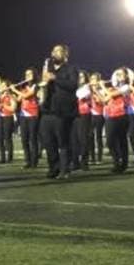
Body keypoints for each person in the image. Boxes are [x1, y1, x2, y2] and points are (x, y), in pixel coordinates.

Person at [39, 44, 80, 180]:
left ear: (65, 55)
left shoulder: (71, 69)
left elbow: (73, 85)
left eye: (58, 51)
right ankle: (53, 168)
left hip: (63, 111)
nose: (55, 53)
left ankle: (64, 169)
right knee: (48, 141)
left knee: (63, 141)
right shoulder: (48, 69)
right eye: (53, 51)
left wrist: (55, 78)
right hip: (47, 110)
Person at [98, 67, 130, 173]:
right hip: (110, 115)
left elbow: (112, 95)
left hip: (122, 116)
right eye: (117, 74)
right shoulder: (112, 88)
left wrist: (102, 86)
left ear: (126, 76)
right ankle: (117, 162)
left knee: (122, 140)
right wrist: (95, 90)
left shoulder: (126, 87)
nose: (118, 76)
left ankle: (123, 164)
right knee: (110, 141)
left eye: (121, 74)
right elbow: (104, 100)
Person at [12, 68, 40, 169]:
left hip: (33, 114)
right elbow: (19, 99)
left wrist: (15, 90)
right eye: (26, 74)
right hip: (23, 115)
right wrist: (10, 93)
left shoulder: (36, 86)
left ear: (34, 75)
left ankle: (34, 162)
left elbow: (27, 96)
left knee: (33, 139)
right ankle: (27, 161)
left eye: (30, 74)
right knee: (24, 139)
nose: (27, 76)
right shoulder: (23, 87)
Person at [71, 70, 92, 171]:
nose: (80, 79)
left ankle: (84, 163)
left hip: (84, 114)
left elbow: (80, 95)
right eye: (79, 77)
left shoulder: (87, 87)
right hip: (74, 114)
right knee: (74, 139)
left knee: (83, 139)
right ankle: (75, 163)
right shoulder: (75, 87)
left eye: (82, 77)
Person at [0, 80, 17, 164]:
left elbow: (13, 109)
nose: (2, 88)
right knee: (0, 138)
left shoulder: (12, 96)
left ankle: (9, 157)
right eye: (1, 86)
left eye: (4, 86)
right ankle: (2, 157)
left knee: (7, 138)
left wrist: (4, 105)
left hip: (8, 117)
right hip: (0, 118)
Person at [89, 72, 106, 164]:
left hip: (99, 115)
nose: (93, 81)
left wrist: (96, 91)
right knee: (90, 136)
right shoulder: (88, 90)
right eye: (91, 79)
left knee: (98, 136)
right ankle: (92, 157)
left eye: (94, 79)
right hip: (90, 115)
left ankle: (99, 157)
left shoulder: (102, 90)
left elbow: (103, 101)